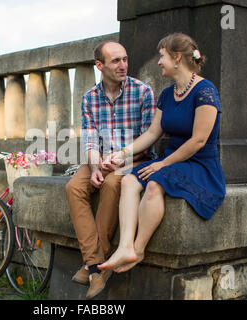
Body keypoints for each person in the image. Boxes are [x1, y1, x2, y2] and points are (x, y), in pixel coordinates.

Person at [98, 33, 226, 274]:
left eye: (162, 56)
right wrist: (122, 153)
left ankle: (138, 248)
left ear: (177, 58)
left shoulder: (206, 91)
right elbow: (152, 133)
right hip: (172, 161)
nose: (159, 62)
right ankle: (124, 246)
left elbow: (199, 140)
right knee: (128, 180)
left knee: (155, 183)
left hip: (199, 164)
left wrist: (162, 164)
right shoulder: (168, 94)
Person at [65, 41, 156, 299]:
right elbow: (90, 139)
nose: (123, 65)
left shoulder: (142, 92)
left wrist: (121, 159)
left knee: (112, 184)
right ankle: (97, 264)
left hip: (134, 158)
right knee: (74, 187)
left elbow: (148, 139)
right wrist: (95, 166)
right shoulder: (89, 99)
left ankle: (94, 266)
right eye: (115, 61)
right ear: (100, 65)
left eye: (125, 59)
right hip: (102, 158)